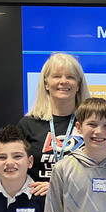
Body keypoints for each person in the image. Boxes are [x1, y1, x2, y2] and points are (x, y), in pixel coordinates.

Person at [18, 52, 90, 196]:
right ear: (46, 83)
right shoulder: (28, 124)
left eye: (70, 77)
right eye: (57, 76)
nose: (63, 81)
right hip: (37, 205)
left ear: (78, 85)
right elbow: (13, 168)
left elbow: (102, 170)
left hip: (80, 207)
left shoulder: (91, 124)